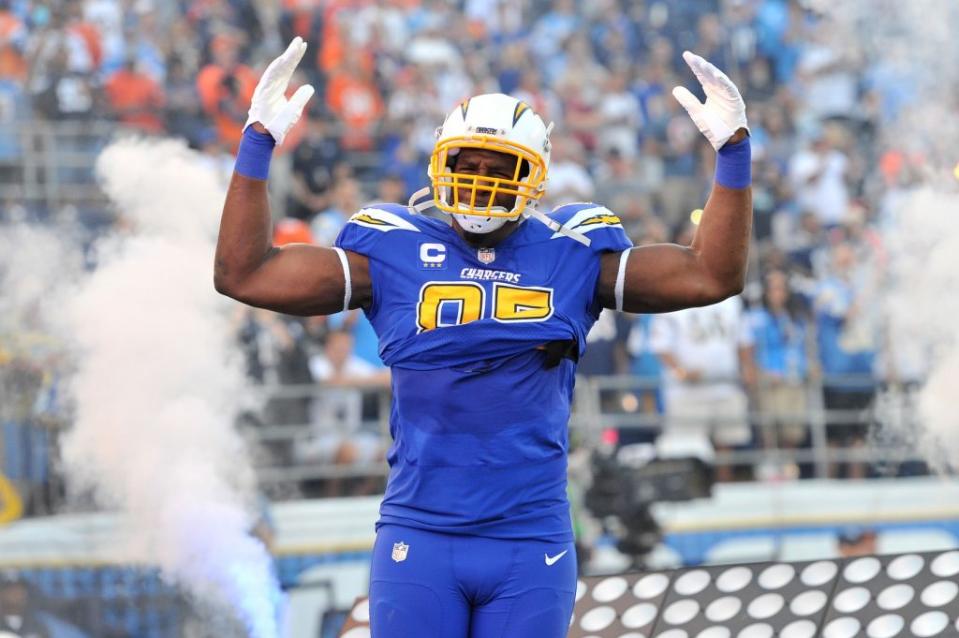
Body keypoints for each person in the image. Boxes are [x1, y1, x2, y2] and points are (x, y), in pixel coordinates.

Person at [215, 38, 751, 638]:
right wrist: (257, 144)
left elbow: (712, 274)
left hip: (530, 536)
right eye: (469, 163)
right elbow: (244, 272)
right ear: (441, 164)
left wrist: (732, 155)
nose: (482, 179)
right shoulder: (390, 248)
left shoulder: (572, 249)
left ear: (536, 176)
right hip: (422, 528)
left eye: (502, 168)